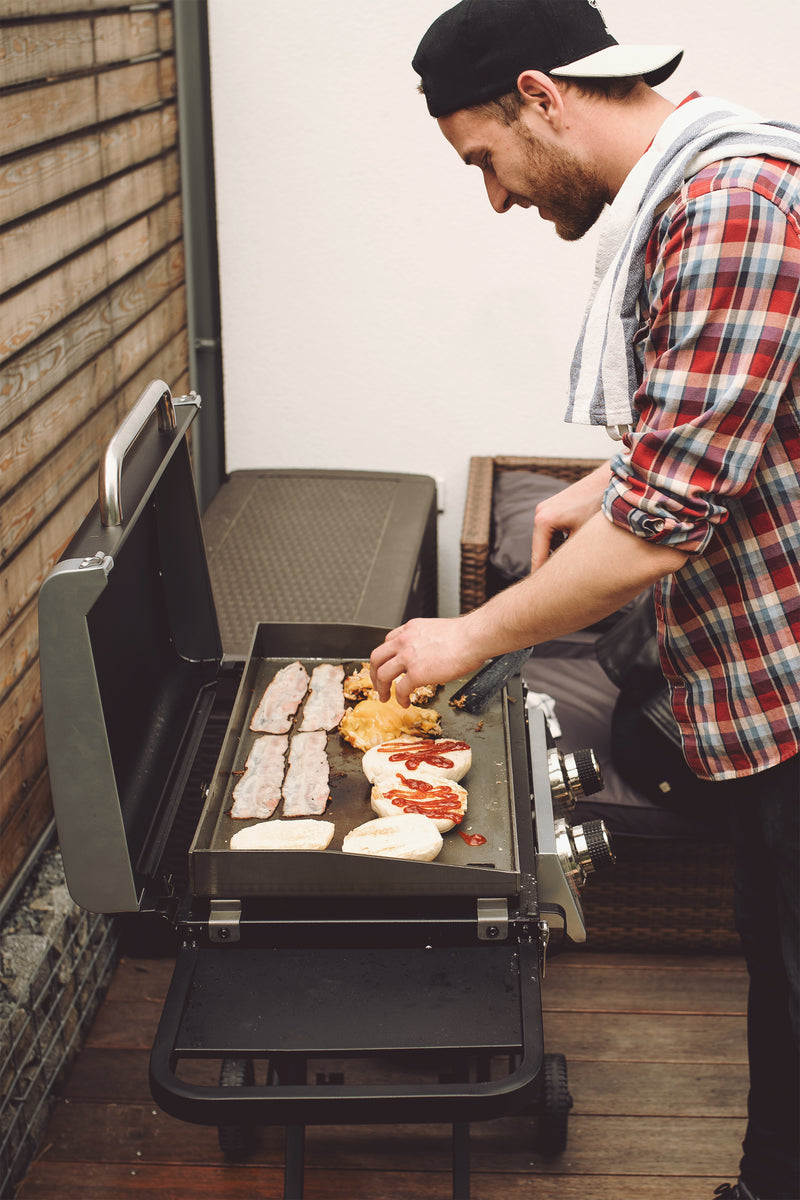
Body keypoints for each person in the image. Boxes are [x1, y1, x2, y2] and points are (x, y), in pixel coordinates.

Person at [369, 2, 800, 1198]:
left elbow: (666, 526)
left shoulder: (726, 208)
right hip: (768, 674)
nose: (496, 200)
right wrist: (609, 476)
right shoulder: (704, 191)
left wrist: (469, 632)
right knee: (775, 958)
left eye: (485, 161)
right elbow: (736, 411)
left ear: (541, 95)